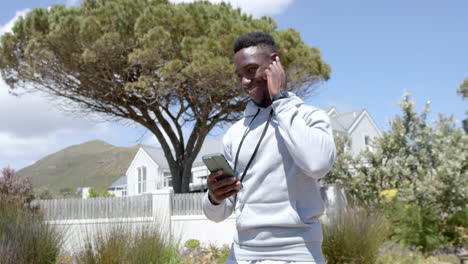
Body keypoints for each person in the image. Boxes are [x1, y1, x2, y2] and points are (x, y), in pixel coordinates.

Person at [202, 32, 336, 264]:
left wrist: (281, 101)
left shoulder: (310, 117)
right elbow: (220, 212)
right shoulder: (236, 133)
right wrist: (214, 198)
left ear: (275, 64)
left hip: (298, 252)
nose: (244, 82)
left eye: (251, 70)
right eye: (240, 75)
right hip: (243, 253)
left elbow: (318, 165)